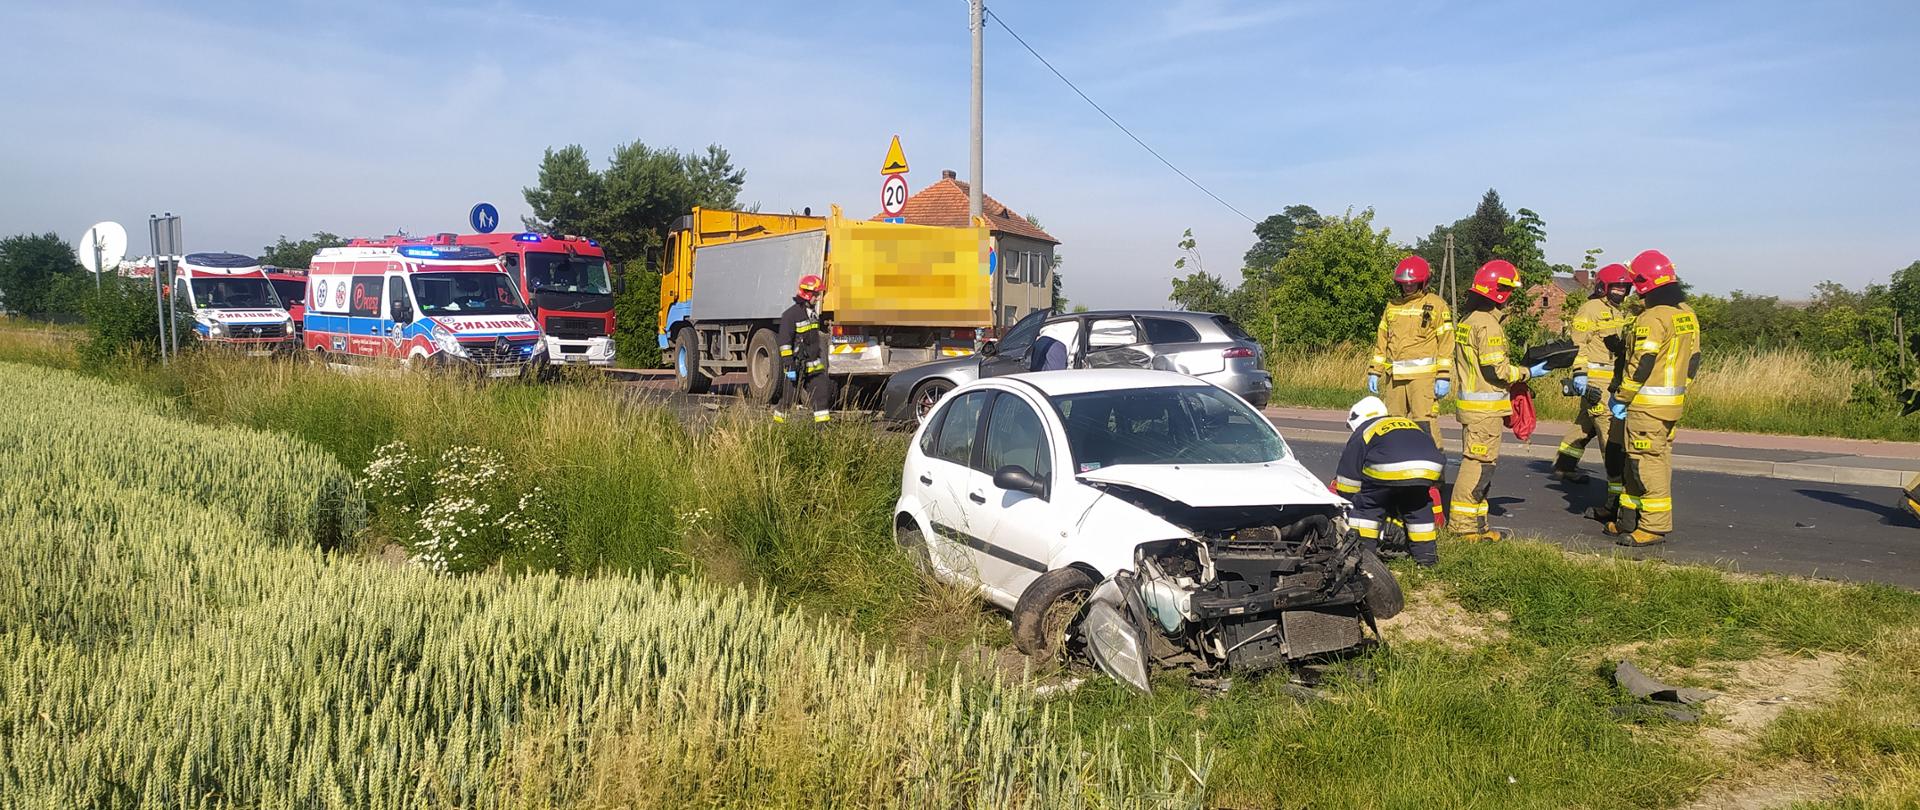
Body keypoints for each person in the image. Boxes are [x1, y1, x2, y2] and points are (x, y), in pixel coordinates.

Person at [1603, 250, 1702, 547]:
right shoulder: (1686, 314)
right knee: (1647, 460)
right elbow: (1694, 360)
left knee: (1647, 463)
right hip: (1670, 404)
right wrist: (1678, 388)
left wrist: (1622, 396)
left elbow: (1643, 361)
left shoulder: (1652, 317)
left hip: (1646, 405)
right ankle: (1629, 519)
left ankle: (1654, 526)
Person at [1449, 260, 1552, 541]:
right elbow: (1498, 370)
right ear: (1500, 292)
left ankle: (1478, 525)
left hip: (1474, 408)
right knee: (1478, 466)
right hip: (1485, 411)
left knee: (1482, 466)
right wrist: (1528, 373)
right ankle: (1462, 527)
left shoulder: (1470, 320)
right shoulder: (1487, 325)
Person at [1336, 396, 1445, 567]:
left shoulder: (1365, 430)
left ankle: (1364, 560)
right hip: (1430, 466)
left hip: (1391, 466)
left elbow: (1348, 475)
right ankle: (1427, 561)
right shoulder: (1405, 422)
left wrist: (1351, 498)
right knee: (1418, 508)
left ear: (1357, 418)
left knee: (1368, 508)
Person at [1551, 264, 1635, 484]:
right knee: (1609, 428)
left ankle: (1564, 465)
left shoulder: (1618, 311)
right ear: (1603, 287)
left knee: (1584, 426)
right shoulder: (1590, 308)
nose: (1620, 291)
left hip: (1610, 378)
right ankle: (1617, 477)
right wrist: (1580, 373)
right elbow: (1578, 343)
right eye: (1615, 287)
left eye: (1624, 287)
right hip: (1596, 379)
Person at [1367, 256, 1454, 447]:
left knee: (1424, 423)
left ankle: (1434, 467)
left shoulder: (1436, 305)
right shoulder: (1392, 306)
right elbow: (1382, 342)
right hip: (1395, 378)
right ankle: (1396, 465)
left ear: (1423, 282)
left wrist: (1444, 376)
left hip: (1422, 379)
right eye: (1404, 284)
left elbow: (1447, 343)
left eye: (1412, 284)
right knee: (1393, 424)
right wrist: (1375, 371)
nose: (1407, 287)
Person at [776, 274, 837, 423]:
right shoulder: (790, 316)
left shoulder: (813, 314)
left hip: (813, 365)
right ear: (806, 294)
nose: (818, 298)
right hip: (794, 366)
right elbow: (784, 343)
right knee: (788, 399)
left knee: (821, 396)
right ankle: (778, 427)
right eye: (816, 295)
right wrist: (789, 364)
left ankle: (822, 431)